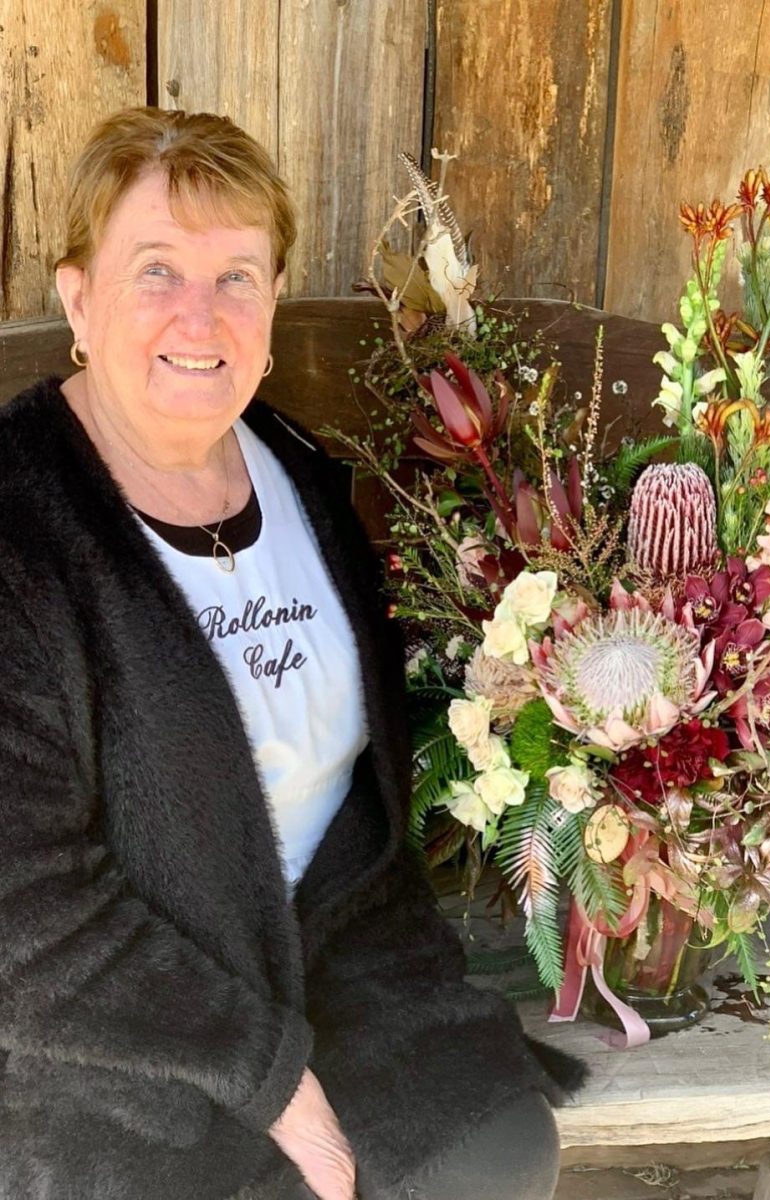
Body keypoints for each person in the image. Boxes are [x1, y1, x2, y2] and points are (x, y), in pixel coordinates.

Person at [0, 108, 584, 1200]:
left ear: (270, 302)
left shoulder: (298, 471)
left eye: (236, 276)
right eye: (157, 270)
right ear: (80, 298)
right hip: (119, 1040)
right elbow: (20, 916)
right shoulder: (20, 533)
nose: (199, 314)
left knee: (493, 1152)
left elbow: (357, 790)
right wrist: (273, 1080)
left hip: (344, 968)